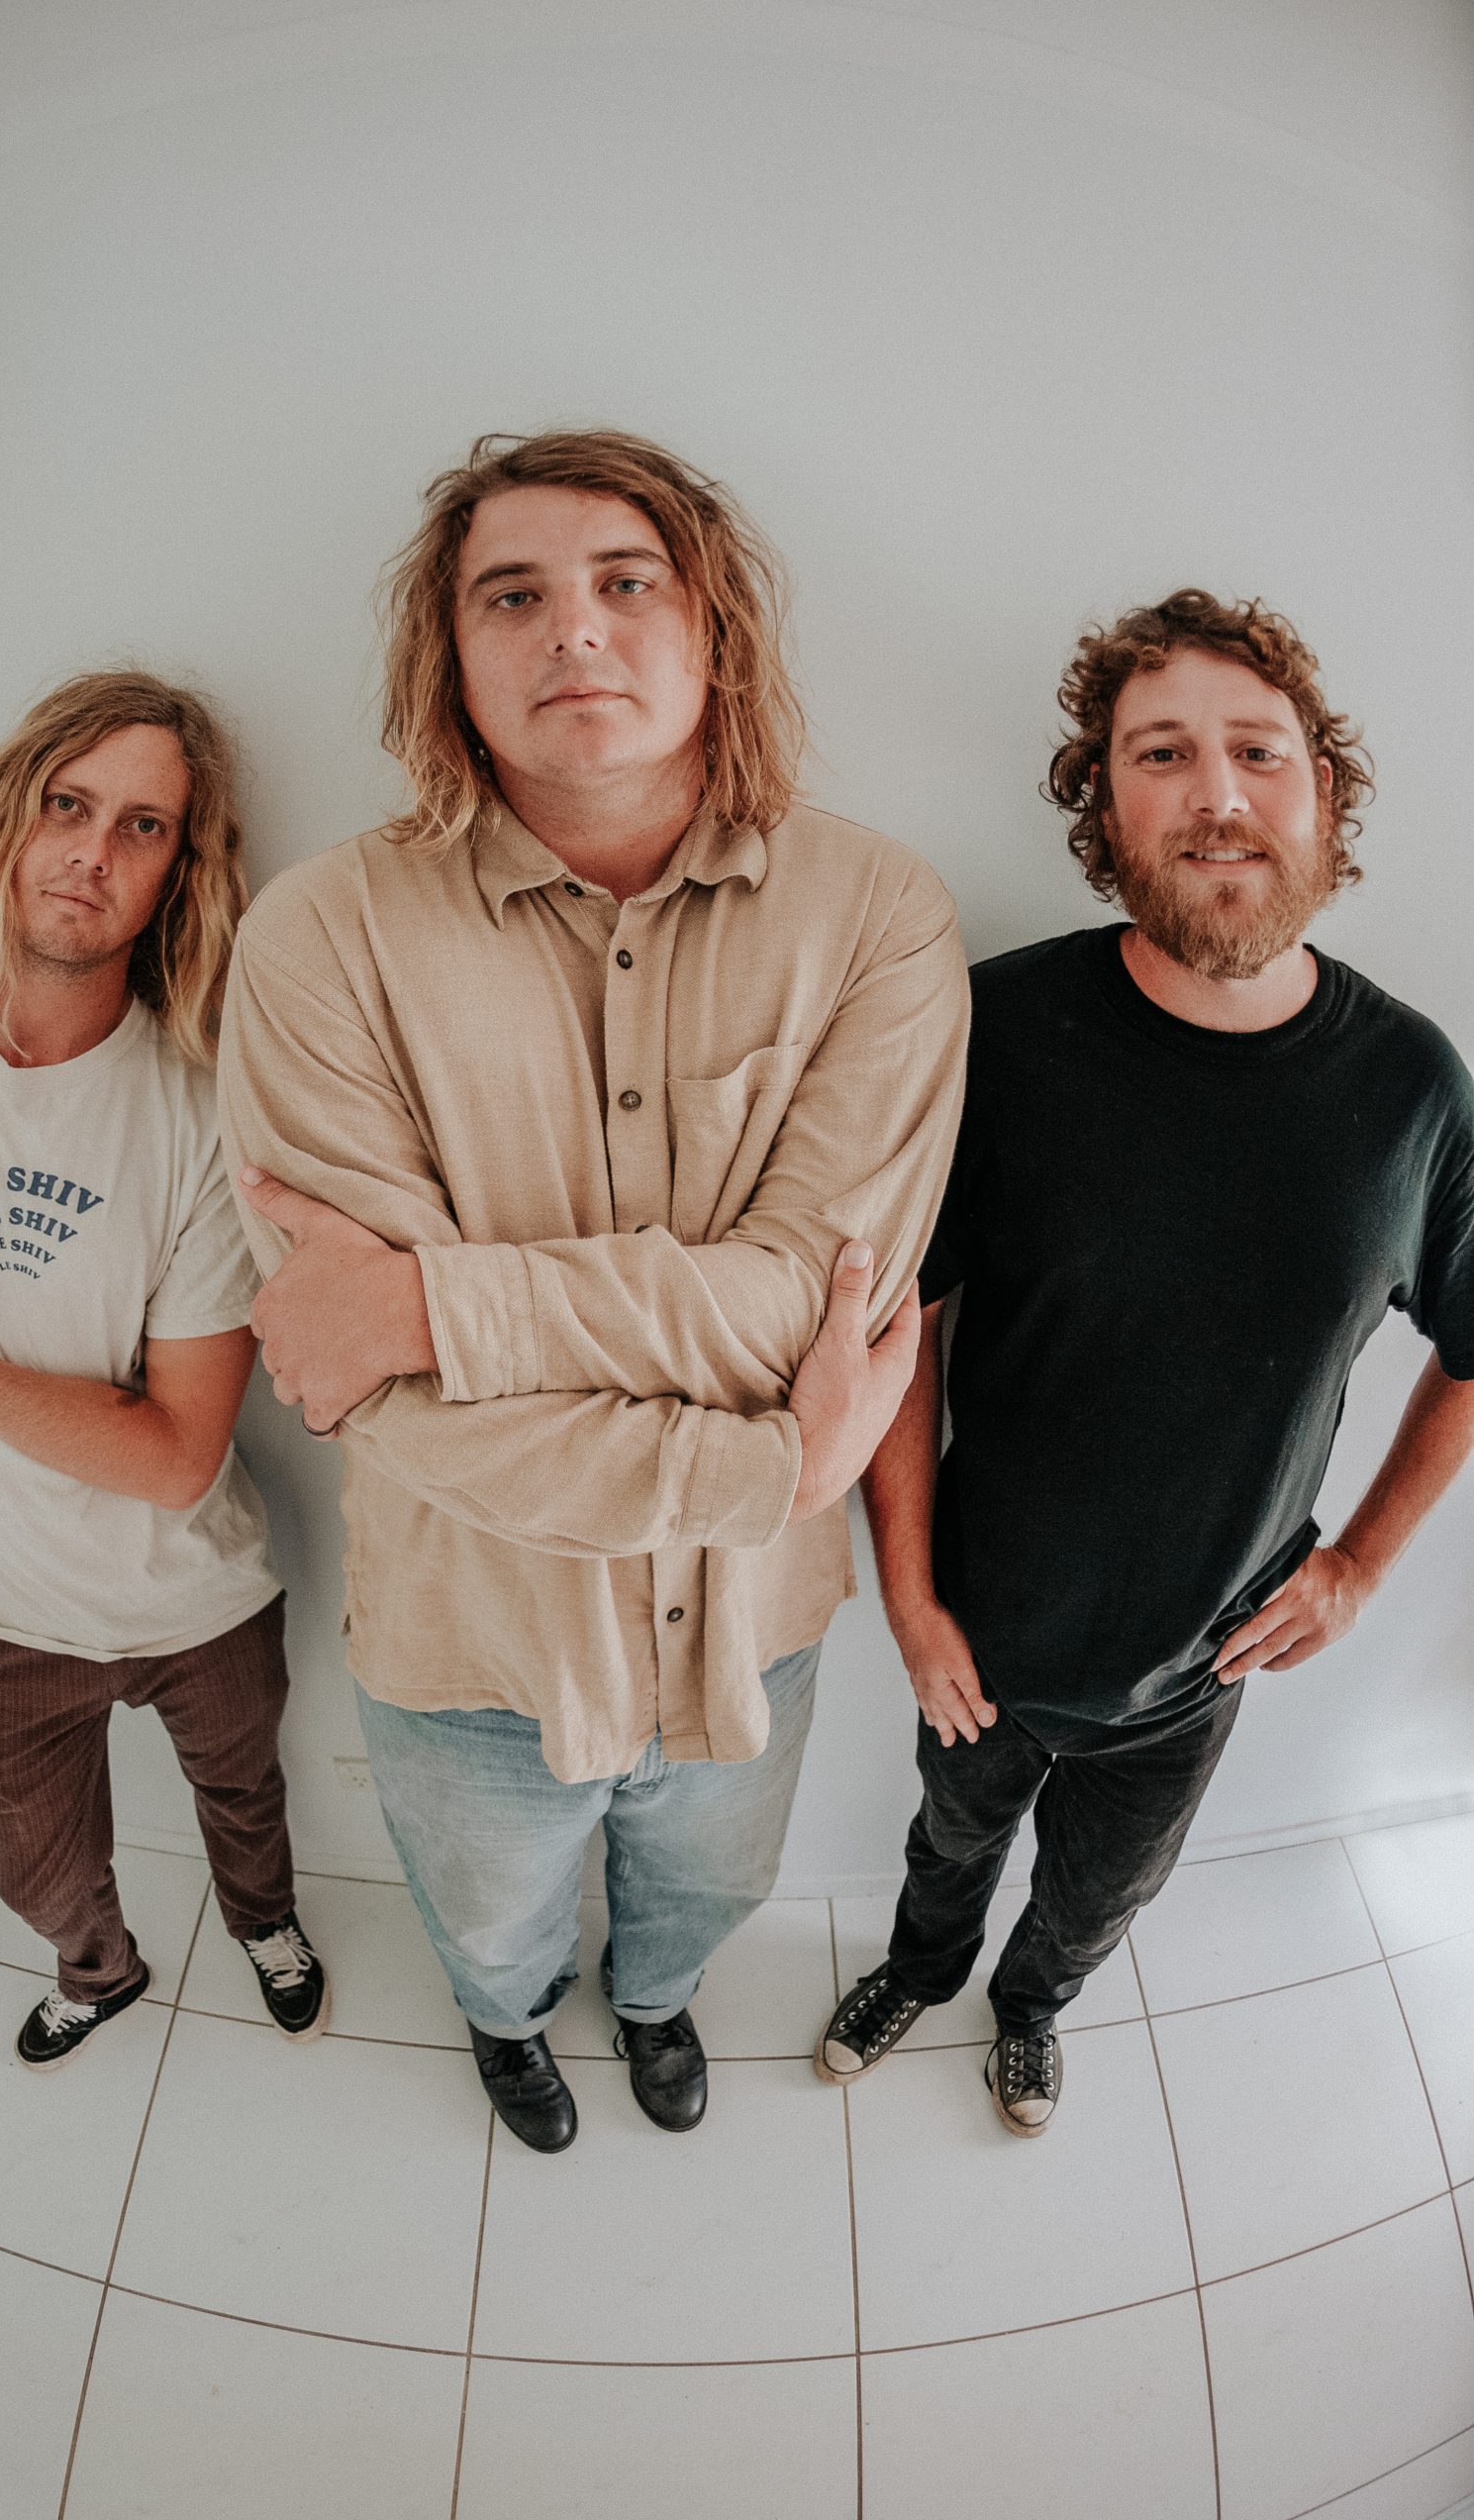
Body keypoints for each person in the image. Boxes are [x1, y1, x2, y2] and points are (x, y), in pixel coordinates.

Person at [217, 429, 969, 2150]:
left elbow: (814, 1303)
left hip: (753, 1633)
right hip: (470, 1635)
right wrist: (776, 1466)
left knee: (707, 1892)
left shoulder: (877, 916)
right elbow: (373, 1389)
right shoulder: (319, 939)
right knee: (487, 1924)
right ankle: (508, 2032)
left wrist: (439, 1305)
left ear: (713, 628)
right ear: (450, 655)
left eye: (629, 581)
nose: (575, 627)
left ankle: (654, 2005)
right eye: (513, 595)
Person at [815, 589, 1474, 2133]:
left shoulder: (1413, 1090)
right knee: (946, 1846)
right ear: (1105, 810)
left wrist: (1359, 1567)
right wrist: (910, 1599)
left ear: (1323, 793)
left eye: (1258, 751)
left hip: (1202, 1665)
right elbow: (904, 1323)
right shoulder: (995, 1029)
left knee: (1103, 1892)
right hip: (979, 1632)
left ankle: (1031, 2009)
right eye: (1162, 754)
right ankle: (918, 1970)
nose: (1217, 793)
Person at [0, 672, 328, 2068]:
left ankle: (264, 1923)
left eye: (143, 826)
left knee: (247, 1800)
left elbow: (177, 1458)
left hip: (197, 1593)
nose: (92, 851)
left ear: (177, 874)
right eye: (67, 805)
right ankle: (100, 1971)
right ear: (4, 822)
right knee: (36, 1869)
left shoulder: (203, 1114)